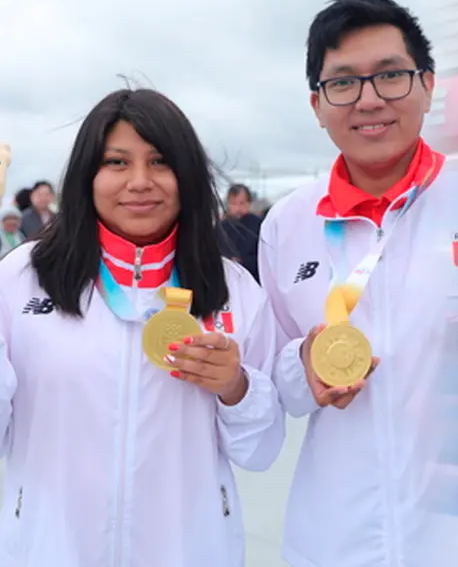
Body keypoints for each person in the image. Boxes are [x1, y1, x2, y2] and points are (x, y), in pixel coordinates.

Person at [0, 88, 285, 566]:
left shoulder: (231, 287)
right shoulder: (23, 277)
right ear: (87, 174)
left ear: (188, 176)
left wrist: (236, 387)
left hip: (189, 550)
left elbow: (262, 449)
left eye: (159, 162)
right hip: (50, 548)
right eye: (116, 163)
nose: (139, 182)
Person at [258, 0, 458, 567]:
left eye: (391, 76)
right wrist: (302, 361)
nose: (369, 100)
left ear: (428, 86)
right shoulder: (288, 224)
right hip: (335, 535)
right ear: (317, 103)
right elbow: (272, 380)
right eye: (344, 83)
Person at [218, 183, 263, 282]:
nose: (237, 208)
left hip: (253, 281)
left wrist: (242, 262)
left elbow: (265, 258)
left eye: (241, 203)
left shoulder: (260, 225)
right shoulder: (220, 228)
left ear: (249, 203)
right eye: (233, 203)